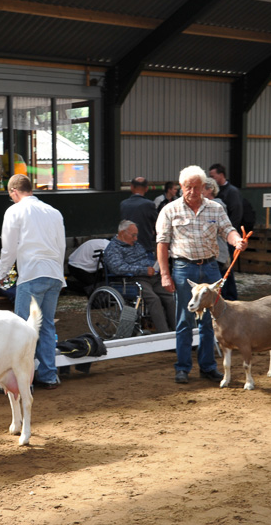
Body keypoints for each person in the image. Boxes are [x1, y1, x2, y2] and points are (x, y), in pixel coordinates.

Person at [157, 165, 248, 385]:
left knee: (210, 320)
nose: (193, 191)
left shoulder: (215, 208)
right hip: (183, 269)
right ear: (181, 187)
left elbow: (228, 229)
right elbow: (162, 243)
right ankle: (183, 368)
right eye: (188, 187)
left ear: (204, 187)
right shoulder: (169, 210)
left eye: (197, 187)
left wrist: (237, 240)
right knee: (184, 320)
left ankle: (208, 367)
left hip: (209, 268)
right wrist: (165, 274)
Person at [0, 173, 66, 389]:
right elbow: (61, 246)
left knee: (22, 328)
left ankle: (23, 380)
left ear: (14, 192)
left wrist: (0, 275)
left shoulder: (15, 210)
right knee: (46, 326)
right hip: (54, 273)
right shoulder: (54, 212)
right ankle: (49, 375)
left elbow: (9, 248)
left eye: (11, 196)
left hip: (32, 273)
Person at [103, 220, 175, 332]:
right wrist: (143, 271)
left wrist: (156, 265)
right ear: (122, 233)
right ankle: (164, 333)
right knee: (154, 300)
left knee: (170, 297)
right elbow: (118, 268)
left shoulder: (136, 245)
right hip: (133, 279)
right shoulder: (113, 249)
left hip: (151, 276)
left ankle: (179, 331)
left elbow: (145, 259)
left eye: (136, 235)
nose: (136, 238)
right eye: (133, 235)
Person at [208, 164, 243, 301]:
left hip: (227, 237)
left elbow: (236, 213)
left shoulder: (231, 192)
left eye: (213, 175)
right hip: (220, 239)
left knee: (226, 270)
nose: (212, 178)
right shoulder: (221, 193)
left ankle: (230, 298)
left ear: (221, 174)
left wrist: (229, 234)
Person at [119, 176, 157, 258]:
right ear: (146, 188)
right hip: (144, 247)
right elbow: (157, 222)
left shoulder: (123, 204)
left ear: (131, 187)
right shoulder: (149, 204)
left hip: (127, 249)